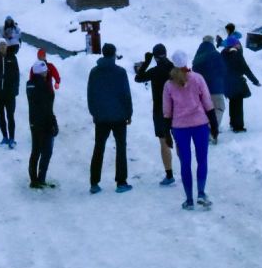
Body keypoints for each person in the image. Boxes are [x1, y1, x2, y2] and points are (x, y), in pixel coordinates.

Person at [162, 50, 214, 210]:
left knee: (185, 162)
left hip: (180, 127)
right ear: (187, 62)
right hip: (200, 125)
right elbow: (207, 102)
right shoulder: (198, 79)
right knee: (202, 160)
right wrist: (214, 125)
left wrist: (166, 133)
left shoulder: (169, 85)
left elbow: (167, 111)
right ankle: (201, 193)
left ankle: (189, 199)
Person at [87, 43, 133, 193]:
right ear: (114, 54)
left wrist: (94, 113)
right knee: (121, 148)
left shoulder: (94, 72)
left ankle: (94, 182)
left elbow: (90, 95)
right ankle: (121, 182)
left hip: (101, 117)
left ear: (102, 53)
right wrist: (128, 113)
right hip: (119, 116)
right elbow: (126, 94)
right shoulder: (120, 72)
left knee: (98, 148)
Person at [134, 43, 176, 186]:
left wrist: (146, 62)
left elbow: (138, 78)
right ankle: (186, 170)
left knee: (163, 142)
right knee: (181, 141)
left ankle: (169, 175)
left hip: (160, 111)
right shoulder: (174, 69)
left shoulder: (154, 71)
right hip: (177, 110)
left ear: (155, 56)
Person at [26, 58, 58, 188]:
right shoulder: (34, 85)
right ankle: (34, 180)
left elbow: (49, 107)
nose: (46, 74)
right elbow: (43, 105)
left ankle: (41, 178)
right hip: (38, 123)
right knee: (37, 151)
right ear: (39, 73)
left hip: (45, 122)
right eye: (44, 72)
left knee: (46, 151)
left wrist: (53, 121)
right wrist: (52, 122)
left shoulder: (44, 85)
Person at [221, 33, 260, 133]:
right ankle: (238, 127)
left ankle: (232, 123)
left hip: (227, 83)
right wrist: (255, 81)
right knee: (238, 105)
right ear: (234, 44)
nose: (239, 44)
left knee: (232, 103)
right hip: (237, 83)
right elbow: (246, 69)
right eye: (237, 43)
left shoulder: (223, 54)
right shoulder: (236, 54)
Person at [192, 36, 229, 144]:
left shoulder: (197, 56)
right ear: (212, 42)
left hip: (201, 89)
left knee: (205, 110)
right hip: (215, 88)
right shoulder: (215, 54)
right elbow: (223, 70)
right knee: (219, 107)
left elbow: (194, 72)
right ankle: (211, 131)